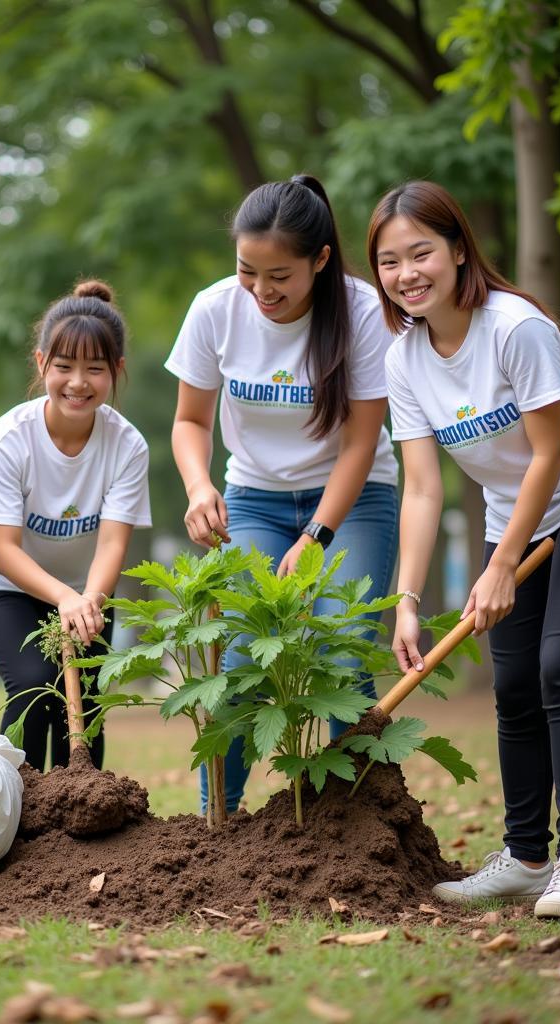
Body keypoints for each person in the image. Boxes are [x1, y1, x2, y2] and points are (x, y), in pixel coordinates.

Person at [369, 180, 560, 920]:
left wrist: (499, 566)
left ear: (460, 251)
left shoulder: (515, 328)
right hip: (512, 514)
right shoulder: (405, 360)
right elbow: (423, 489)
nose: (407, 274)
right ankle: (526, 857)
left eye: (422, 252)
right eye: (390, 261)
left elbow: (551, 454)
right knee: (513, 681)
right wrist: (407, 600)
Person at [166, 175, 399, 815]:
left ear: (320, 260)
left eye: (280, 276)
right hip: (255, 499)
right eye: (248, 271)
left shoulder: (362, 314)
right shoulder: (215, 309)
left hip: (353, 499)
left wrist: (316, 536)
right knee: (242, 659)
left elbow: (360, 444)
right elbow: (190, 422)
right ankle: (221, 825)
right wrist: (197, 485)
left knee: (340, 645)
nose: (262, 291)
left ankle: (355, 826)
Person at [0, 280, 152, 770]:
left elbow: (113, 543)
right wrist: (63, 598)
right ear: (41, 363)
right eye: (64, 367)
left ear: (117, 371)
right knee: (34, 687)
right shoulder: (9, 439)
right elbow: (3, 550)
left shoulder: (127, 446)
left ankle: (83, 828)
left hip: (86, 587)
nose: (78, 382)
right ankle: (19, 815)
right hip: (3, 582)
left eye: (95, 368)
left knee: (87, 704)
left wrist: (86, 599)